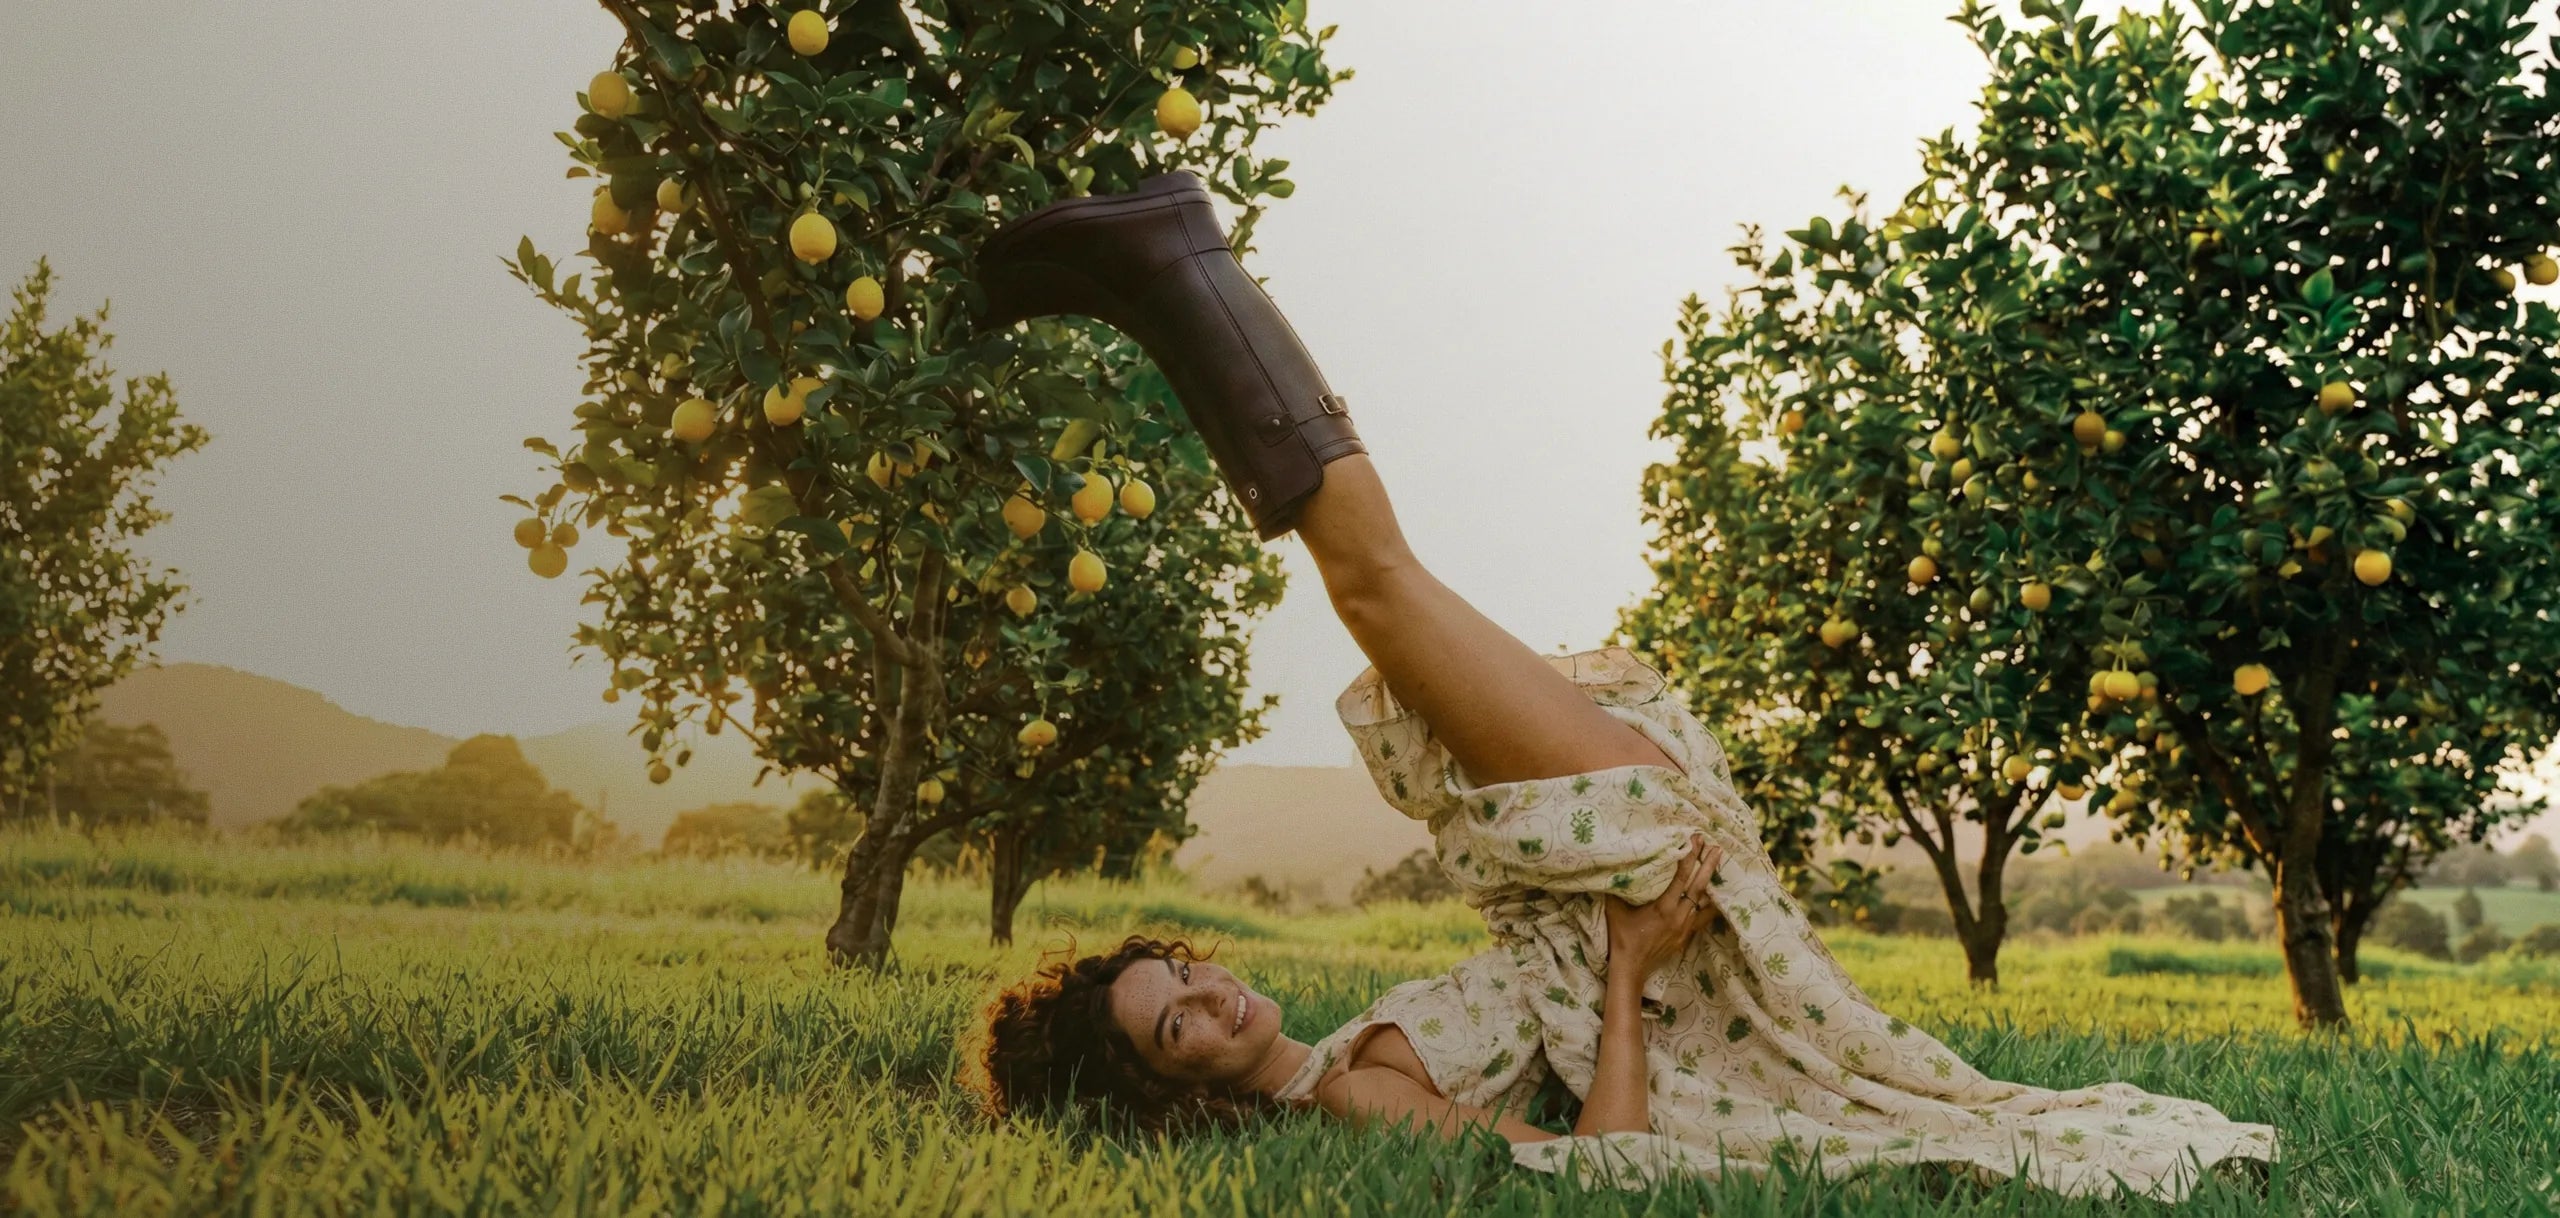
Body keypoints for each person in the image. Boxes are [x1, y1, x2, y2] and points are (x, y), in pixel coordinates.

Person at [966, 171, 2278, 1200]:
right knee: (1375, 586)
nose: (1209, 997)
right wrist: (1632, 963)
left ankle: (1160, 284)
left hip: (1616, 864)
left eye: (1179, 973)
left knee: (1380, 588)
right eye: (1177, 1029)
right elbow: (1594, 1171)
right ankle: (1170, 265)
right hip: (1640, 878)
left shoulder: (1332, 1061)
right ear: (1175, 1092)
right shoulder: (1346, 1101)